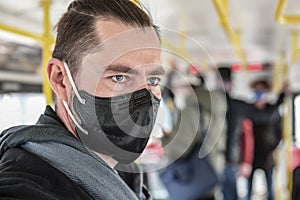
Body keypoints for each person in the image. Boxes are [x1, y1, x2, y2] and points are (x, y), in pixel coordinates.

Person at [0, 0, 164, 199]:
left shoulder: (123, 171)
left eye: (153, 80)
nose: (144, 99)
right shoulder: (26, 184)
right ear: (60, 79)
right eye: (119, 78)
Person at [246, 79, 284, 200]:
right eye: (257, 91)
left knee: (270, 188)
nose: (259, 93)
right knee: (248, 190)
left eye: (261, 91)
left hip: (268, 154)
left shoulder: (273, 111)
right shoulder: (249, 110)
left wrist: (272, 147)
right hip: (251, 154)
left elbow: (280, 133)